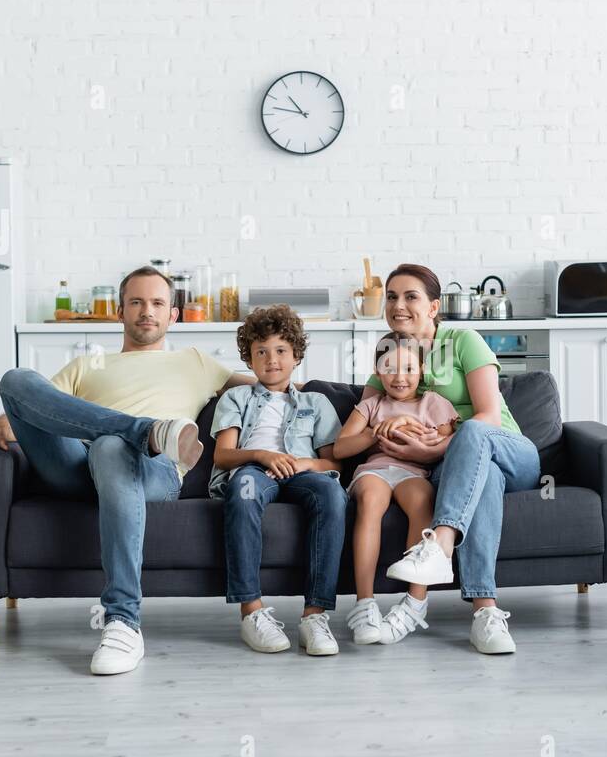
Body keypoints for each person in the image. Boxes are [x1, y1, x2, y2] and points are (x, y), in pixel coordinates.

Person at [0, 266, 254, 675]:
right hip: (77, 468)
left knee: (113, 446)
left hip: (152, 473)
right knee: (16, 378)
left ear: (173, 316)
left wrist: (365, 393)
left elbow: (269, 384)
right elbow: (29, 405)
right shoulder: (86, 365)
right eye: (136, 302)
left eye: (157, 304)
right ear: (119, 312)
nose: (146, 311)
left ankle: (123, 623)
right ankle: (146, 430)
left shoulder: (197, 362)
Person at [359, 264, 541, 654]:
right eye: (392, 296)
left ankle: (439, 544)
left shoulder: (463, 340)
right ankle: (485, 614)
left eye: (411, 297)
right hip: (459, 473)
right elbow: (364, 424)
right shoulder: (391, 357)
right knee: (484, 479)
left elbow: (489, 414)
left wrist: (432, 448)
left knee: (473, 431)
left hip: (509, 450)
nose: (399, 305)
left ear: (434, 306)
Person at [210, 305, 347, 656]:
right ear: (249, 360)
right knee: (242, 490)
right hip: (253, 470)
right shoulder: (235, 397)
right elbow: (222, 455)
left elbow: (333, 462)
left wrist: (304, 463)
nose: (272, 359)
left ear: (296, 354)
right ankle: (251, 612)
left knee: (332, 493)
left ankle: (314, 617)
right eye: (261, 352)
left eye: (281, 350)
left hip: (302, 472)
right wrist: (261, 455)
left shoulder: (317, 402)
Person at [331, 334, 458, 645]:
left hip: (413, 472)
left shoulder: (435, 403)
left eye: (408, 368)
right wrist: (377, 432)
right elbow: (341, 448)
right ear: (378, 370)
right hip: (374, 471)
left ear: (422, 370)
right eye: (389, 368)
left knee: (423, 500)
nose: (399, 377)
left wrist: (423, 436)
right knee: (371, 501)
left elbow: (453, 440)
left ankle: (415, 601)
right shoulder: (371, 405)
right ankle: (364, 603)